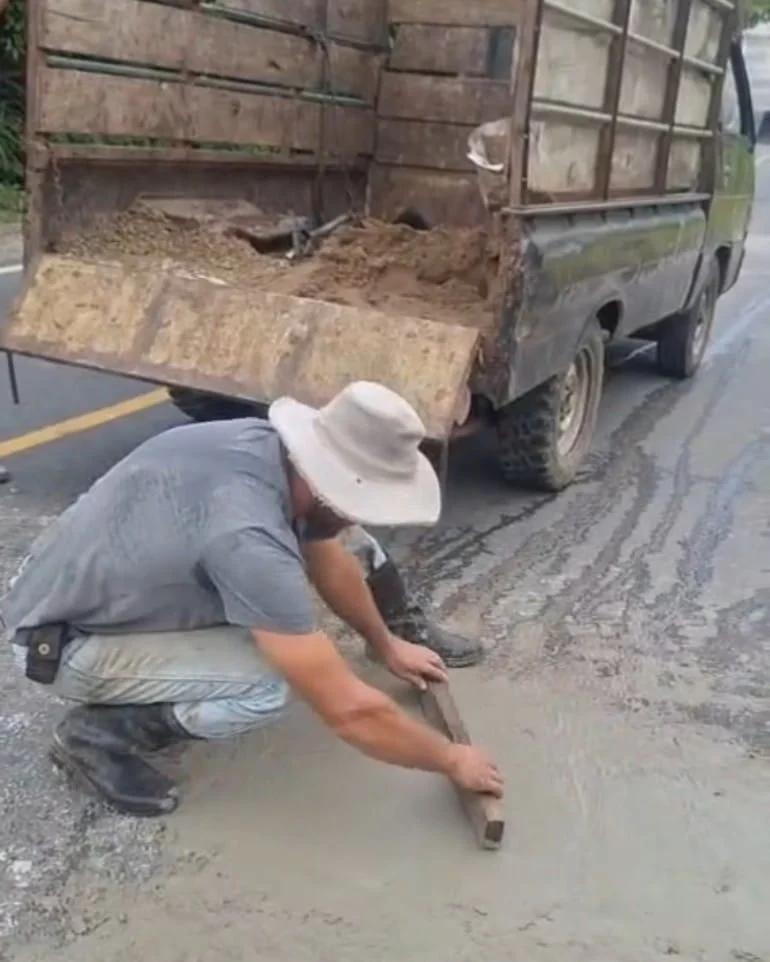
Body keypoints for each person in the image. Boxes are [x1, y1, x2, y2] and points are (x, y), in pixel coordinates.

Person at [2, 381, 502, 817]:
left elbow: (328, 552)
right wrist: (451, 759)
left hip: (67, 581)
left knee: (342, 542)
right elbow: (348, 711)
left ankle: (388, 631)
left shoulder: (266, 448)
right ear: (329, 480)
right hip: (60, 642)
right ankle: (99, 735)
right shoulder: (248, 539)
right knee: (266, 683)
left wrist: (385, 643)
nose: (361, 514)